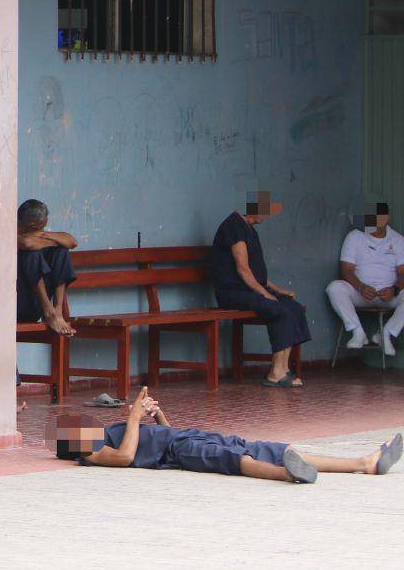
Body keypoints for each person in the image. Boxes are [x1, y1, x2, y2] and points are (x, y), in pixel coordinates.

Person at [54, 385, 402, 483]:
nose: (89, 424)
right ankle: (287, 474)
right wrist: (132, 416)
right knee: (235, 459)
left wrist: (155, 413)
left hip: (183, 438)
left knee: (262, 446)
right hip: (180, 454)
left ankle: (363, 462)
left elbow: (164, 434)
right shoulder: (92, 453)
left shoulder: (111, 432)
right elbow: (127, 457)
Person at [211, 191, 310, 388]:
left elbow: (257, 274)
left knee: (293, 307)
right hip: (233, 293)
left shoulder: (249, 228)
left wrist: (277, 290)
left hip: (250, 290)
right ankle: (275, 373)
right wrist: (264, 294)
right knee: (278, 310)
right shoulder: (234, 226)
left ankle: (283, 368)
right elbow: (243, 269)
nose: (266, 217)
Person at [326, 203, 404, 357]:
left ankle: (385, 334)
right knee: (334, 288)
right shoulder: (355, 236)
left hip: (388, 295)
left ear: (386, 218)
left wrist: (394, 289)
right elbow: (346, 269)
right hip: (360, 292)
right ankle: (357, 331)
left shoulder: (398, 240)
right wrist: (361, 287)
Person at [16, 199, 77, 337]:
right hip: (18, 306)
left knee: (61, 250)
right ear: (32, 226)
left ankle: (57, 311)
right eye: (41, 228)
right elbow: (27, 244)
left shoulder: (38, 234)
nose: (43, 230)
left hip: (35, 305)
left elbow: (72, 242)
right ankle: (48, 311)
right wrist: (50, 240)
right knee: (32, 254)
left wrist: (43, 235)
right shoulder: (9, 232)